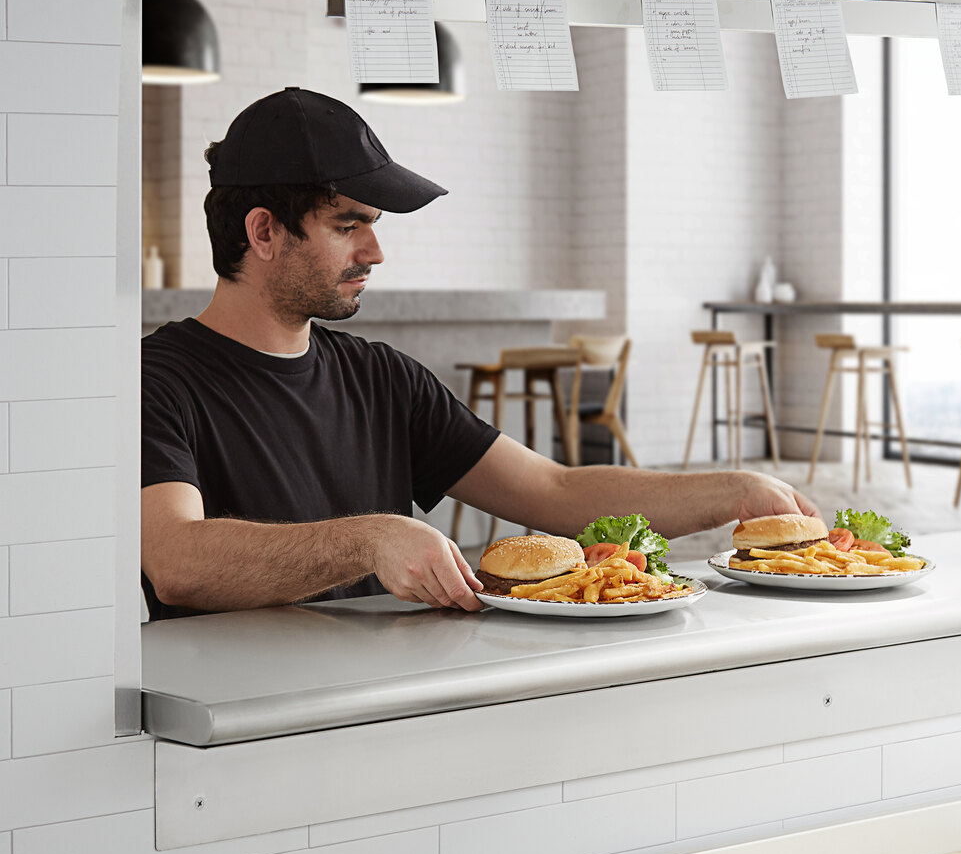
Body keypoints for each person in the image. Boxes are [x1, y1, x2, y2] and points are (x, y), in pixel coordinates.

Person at [141, 87, 820, 622]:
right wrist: (371, 538)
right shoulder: (159, 382)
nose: (375, 253)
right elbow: (175, 559)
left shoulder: (383, 377)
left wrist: (731, 489)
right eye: (348, 226)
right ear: (264, 232)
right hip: (232, 726)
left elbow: (553, 491)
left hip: (382, 702)